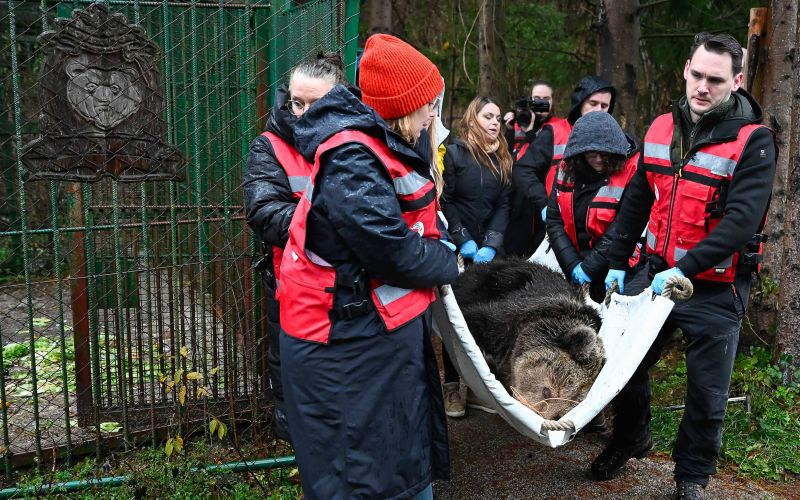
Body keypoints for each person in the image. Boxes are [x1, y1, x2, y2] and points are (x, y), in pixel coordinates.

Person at [592, 33, 777, 500]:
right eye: (696, 75)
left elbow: (739, 223)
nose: (702, 87)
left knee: (707, 395)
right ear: (686, 71)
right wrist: (617, 262)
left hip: (714, 285)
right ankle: (631, 436)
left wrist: (687, 268)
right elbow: (636, 199)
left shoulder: (752, 142)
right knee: (621, 365)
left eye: (715, 80)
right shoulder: (659, 128)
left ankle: (690, 477)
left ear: (736, 81)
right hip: (651, 273)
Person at [278, 34, 458, 500]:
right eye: (428, 104)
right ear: (404, 105)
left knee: (394, 463)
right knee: (359, 475)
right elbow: (390, 250)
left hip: (367, 336)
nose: (432, 115)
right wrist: (445, 260)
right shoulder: (354, 157)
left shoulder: (371, 144)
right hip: (342, 343)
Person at [242, 52, 347, 444]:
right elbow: (266, 213)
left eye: (315, 105)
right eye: (296, 103)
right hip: (292, 287)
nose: (302, 114)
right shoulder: (269, 147)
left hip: (349, 286)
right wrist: (337, 224)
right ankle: (301, 457)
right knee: (293, 376)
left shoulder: (354, 142)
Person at [439, 96, 513, 417]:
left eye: (498, 117)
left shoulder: (502, 160)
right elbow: (446, 200)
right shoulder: (455, 155)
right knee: (455, 321)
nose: (496, 122)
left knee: (486, 317)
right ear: (473, 119)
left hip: (489, 256)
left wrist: (492, 244)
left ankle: (482, 387)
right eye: (488, 116)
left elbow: (504, 205)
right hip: (458, 253)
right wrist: (463, 239)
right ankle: (453, 389)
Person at [506, 76, 616, 257]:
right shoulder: (555, 132)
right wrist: (544, 205)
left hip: (597, 230)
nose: (598, 110)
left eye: (604, 106)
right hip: (556, 227)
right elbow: (523, 169)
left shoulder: (614, 138)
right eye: (593, 103)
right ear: (580, 103)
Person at [546, 111, 639, 304]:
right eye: (591, 154)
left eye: (604, 155)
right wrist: (572, 265)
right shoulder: (566, 169)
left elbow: (623, 225)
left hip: (615, 268)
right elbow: (554, 220)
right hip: (574, 261)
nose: (598, 159)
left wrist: (590, 267)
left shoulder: (631, 172)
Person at [503, 81, 556, 157]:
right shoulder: (519, 121)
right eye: (536, 98)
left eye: (546, 98)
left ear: (552, 101)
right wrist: (510, 130)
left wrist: (529, 133)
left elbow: (545, 156)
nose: (541, 102)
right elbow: (504, 154)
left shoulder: (558, 126)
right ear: (530, 100)